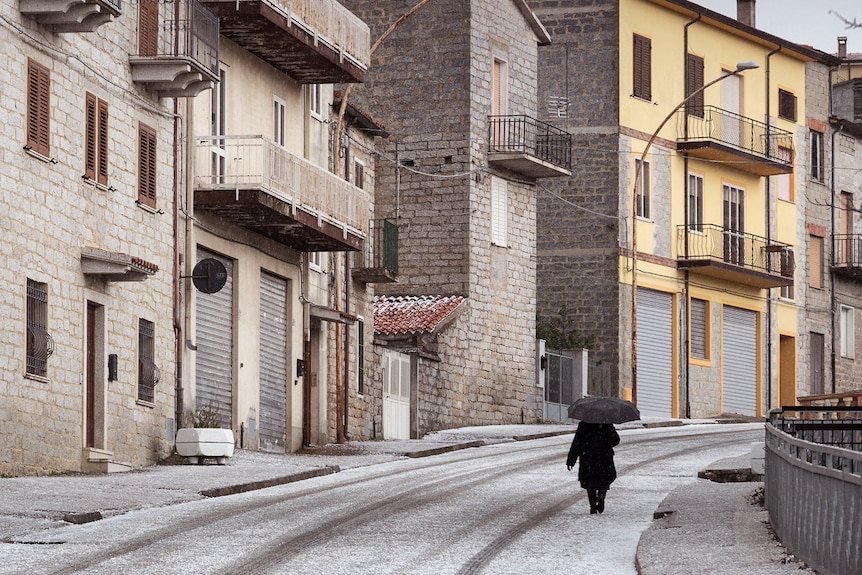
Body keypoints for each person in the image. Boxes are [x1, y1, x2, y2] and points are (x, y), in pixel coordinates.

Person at [566, 421, 620, 514]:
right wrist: (607, 444)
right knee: (605, 477)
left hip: (588, 456)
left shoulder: (583, 424)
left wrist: (571, 460)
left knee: (589, 480)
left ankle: (593, 505)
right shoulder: (606, 423)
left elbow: (577, 442)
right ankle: (602, 493)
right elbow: (616, 440)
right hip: (604, 456)